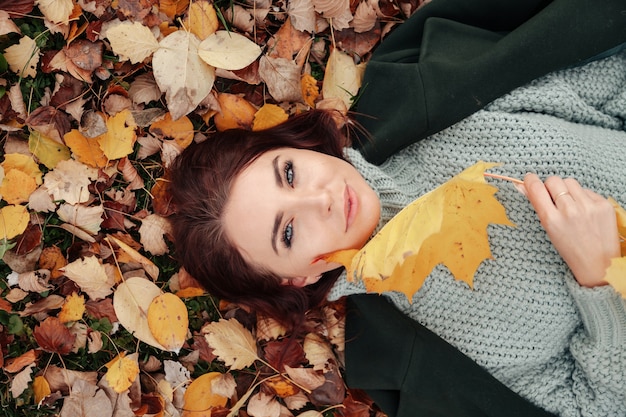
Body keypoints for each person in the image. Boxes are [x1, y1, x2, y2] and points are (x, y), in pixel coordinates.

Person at [169, 0, 626, 415]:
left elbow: (610, 76)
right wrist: (600, 280)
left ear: (291, 144)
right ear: (299, 278)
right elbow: (598, 405)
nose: (321, 198)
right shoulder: (430, 353)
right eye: (288, 232)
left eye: (289, 174)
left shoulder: (434, 92)